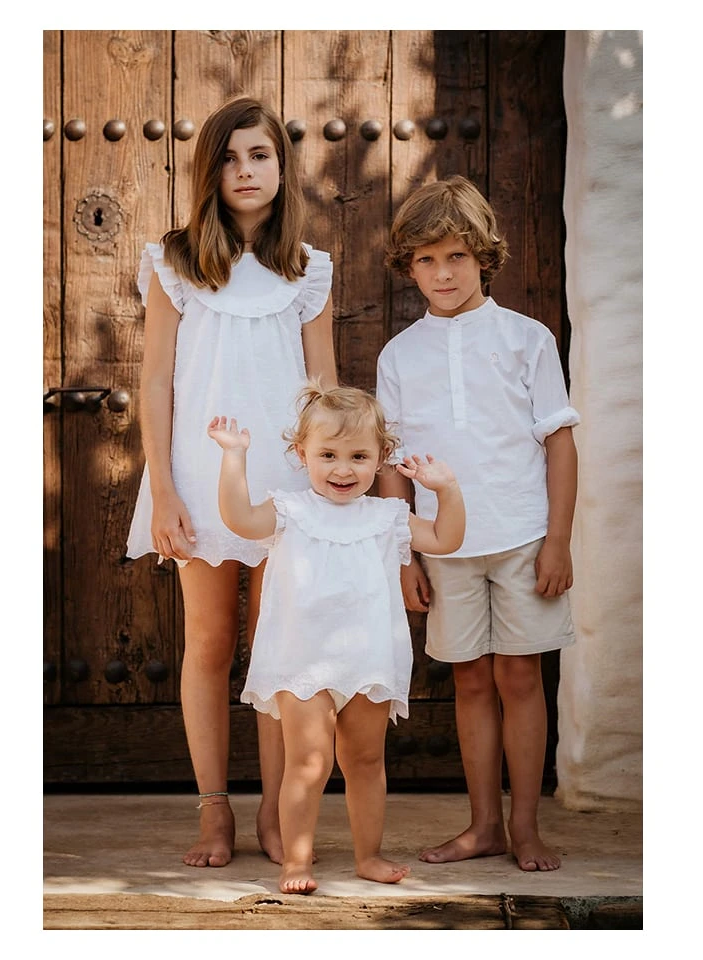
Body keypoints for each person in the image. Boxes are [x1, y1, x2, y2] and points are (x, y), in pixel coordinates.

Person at [126, 95, 337, 869]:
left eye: (260, 155)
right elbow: (155, 381)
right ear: (208, 172)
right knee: (210, 641)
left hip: (287, 485)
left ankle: (278, 813)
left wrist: (327, 491)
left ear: (282, 166)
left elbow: (324, 389)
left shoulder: (308, 270)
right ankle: (214, 808)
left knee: (277, 645)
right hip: (199, 475)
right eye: (229, 158)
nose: (245, 170)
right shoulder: (174, 262)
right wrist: (164, 490)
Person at [376, 175, 580, 872]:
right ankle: (484, 825)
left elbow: (559, 443)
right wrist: (404, 554)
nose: (443, 273)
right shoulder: (399, 355)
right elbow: (393, 465)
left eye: (456, 256)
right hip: (442, 543)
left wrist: (558, 541)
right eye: (427, 260)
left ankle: (525, 826)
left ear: (484, 257)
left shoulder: (527, 339)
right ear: (409, 267)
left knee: (520, 678)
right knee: (468, 680)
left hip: (523, 537)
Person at [207, 382, 466, 894]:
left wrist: (448, 489)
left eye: (358, 456)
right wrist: (234, 457)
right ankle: (295, 860)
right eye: (328, 455)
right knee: (309, 762)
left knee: (365, 761)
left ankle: (368, 855)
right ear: (301, 453)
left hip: (368, 660)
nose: (343, 469)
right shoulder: (289, 509)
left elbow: (446, 538)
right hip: (303, 660)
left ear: (381, 458)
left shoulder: (387, 516)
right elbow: (239, 519)